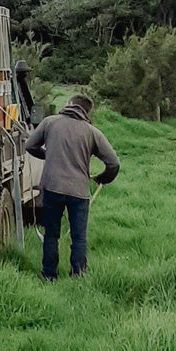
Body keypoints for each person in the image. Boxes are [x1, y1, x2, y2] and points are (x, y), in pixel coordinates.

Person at [25, 94, 119, 281]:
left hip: (52, 187)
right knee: (79, 237)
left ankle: (49, 275)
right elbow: (113, 163)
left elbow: (30, 145)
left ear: (69, 104)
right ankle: (79, 276)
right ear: (86, 111)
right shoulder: (92, 132)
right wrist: (102, 179)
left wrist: (48, 156)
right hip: (79, 191)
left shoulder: (50, 122)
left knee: (51, 234)